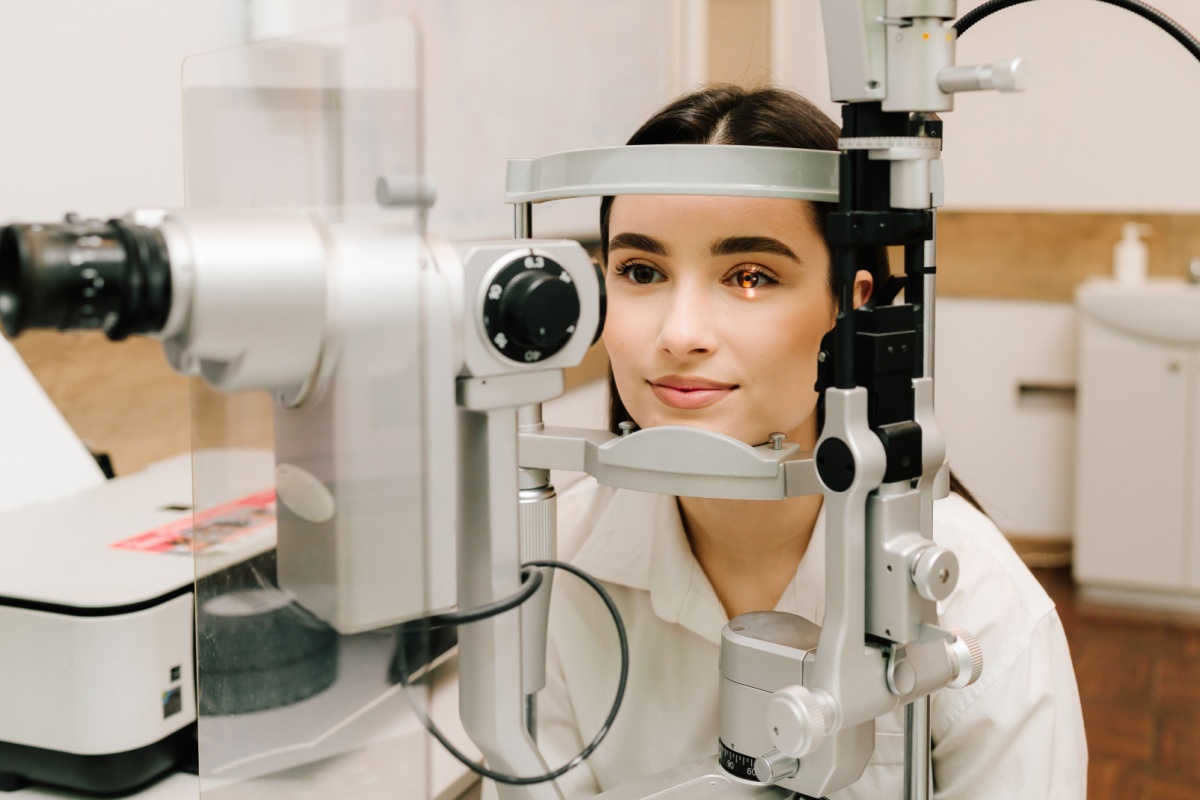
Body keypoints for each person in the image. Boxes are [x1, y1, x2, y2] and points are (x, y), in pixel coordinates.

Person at [527, 85, 1087, 799]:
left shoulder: (980, 612)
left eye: (751, 276)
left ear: (850, 309)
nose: (679, 333)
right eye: (642, 271)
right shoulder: (556, 567)